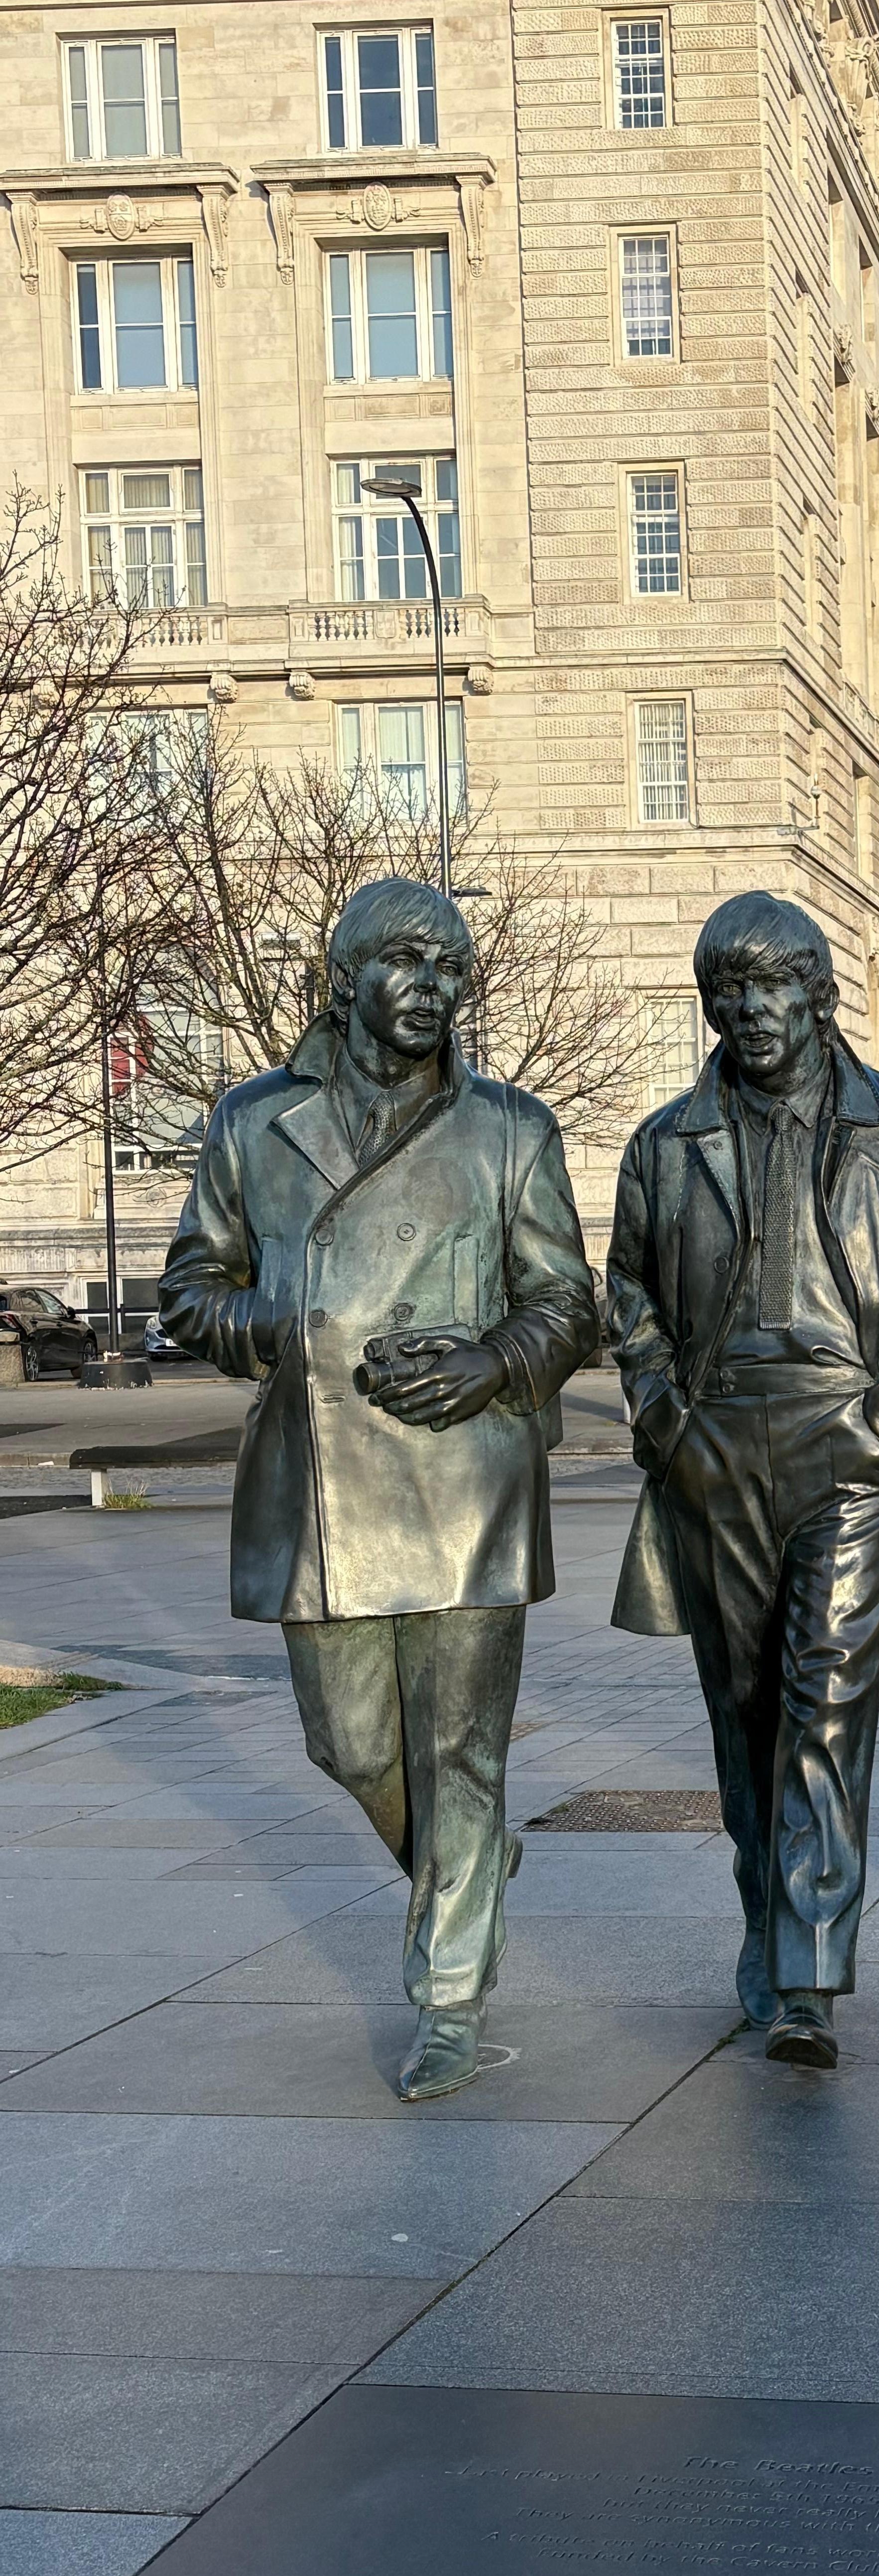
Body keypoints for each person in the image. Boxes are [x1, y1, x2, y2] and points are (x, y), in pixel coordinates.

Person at [159, 878, 600, 2101]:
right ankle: (463, 1864)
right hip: (325, 1483)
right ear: (339, 979)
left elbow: (570, 1301)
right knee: (348, 1742)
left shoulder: (511, 1127)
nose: (434, 987)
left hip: (468, 1477)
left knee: (461, 1749)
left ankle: (448, 1996)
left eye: (454, 967)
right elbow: (191, 1287)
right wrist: (287, 1325)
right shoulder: (254, 1123)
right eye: (407, 961)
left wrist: (490, 1361)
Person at [606, 893, 879, 2070]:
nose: (752, 1011)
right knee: (749, 1716)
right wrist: (669, 1422)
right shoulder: (667, 1144)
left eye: (774, 988)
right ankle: (766, 1923)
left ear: (820, 994)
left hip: (852, 1450)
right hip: (716, 1449)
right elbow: (630, 1298)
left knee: (823, 1702)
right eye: (730, 991)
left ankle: (810, 1972)